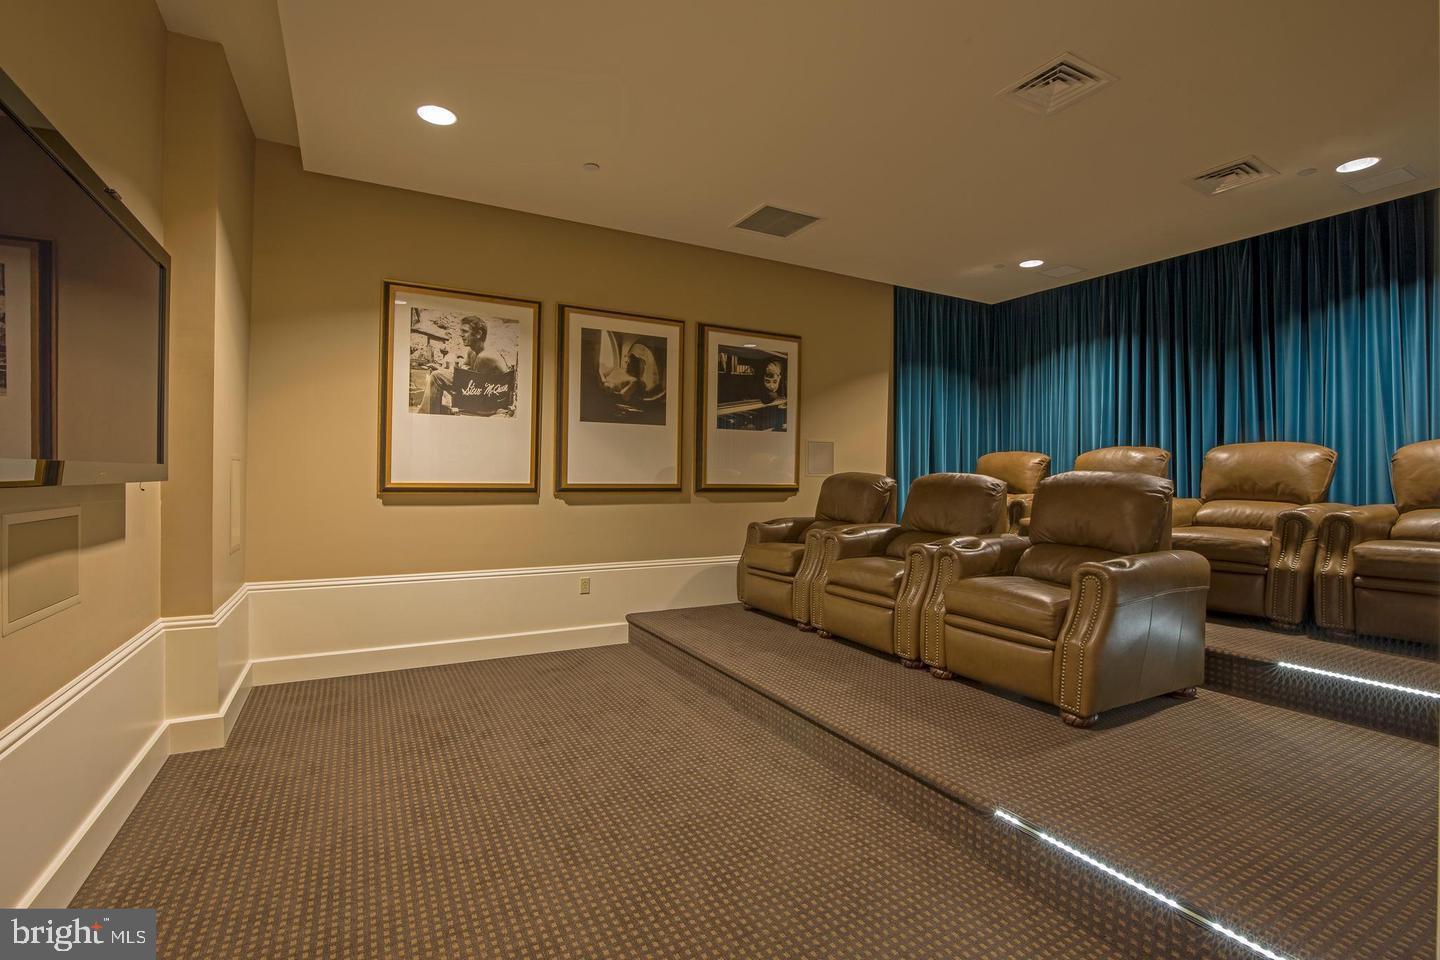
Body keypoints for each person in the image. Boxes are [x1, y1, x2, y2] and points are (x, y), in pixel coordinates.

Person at [420, 315, 515, 415]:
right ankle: (427, 414)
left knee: (436, 376)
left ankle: (426, 415)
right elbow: (462, 373)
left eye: (465, 331)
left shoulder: (485, 357)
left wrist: (447, 374)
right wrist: (440, 369)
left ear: (478, 334)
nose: (461, 335)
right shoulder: (472, 351)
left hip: (487, 405)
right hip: (477, 393)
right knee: (436, 375)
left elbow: (471, 389)